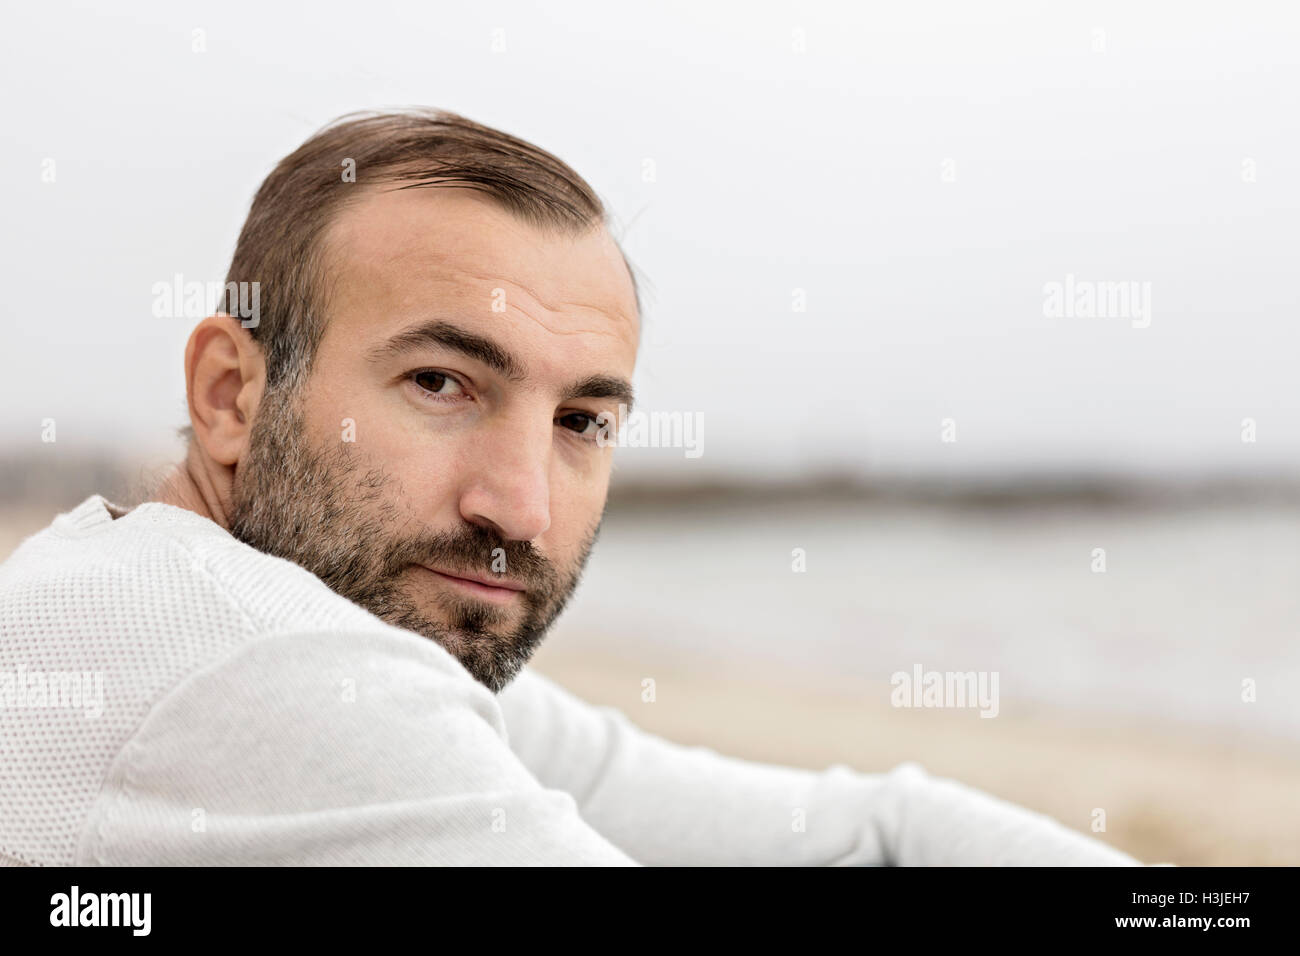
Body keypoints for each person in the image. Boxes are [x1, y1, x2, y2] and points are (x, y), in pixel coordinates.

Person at [0, 109, 1143, 866]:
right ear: (231, 394)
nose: (519, 507)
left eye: (581, 420)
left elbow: (865, 829)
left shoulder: (176, 586)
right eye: (442, 381)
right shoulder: (263, 663)